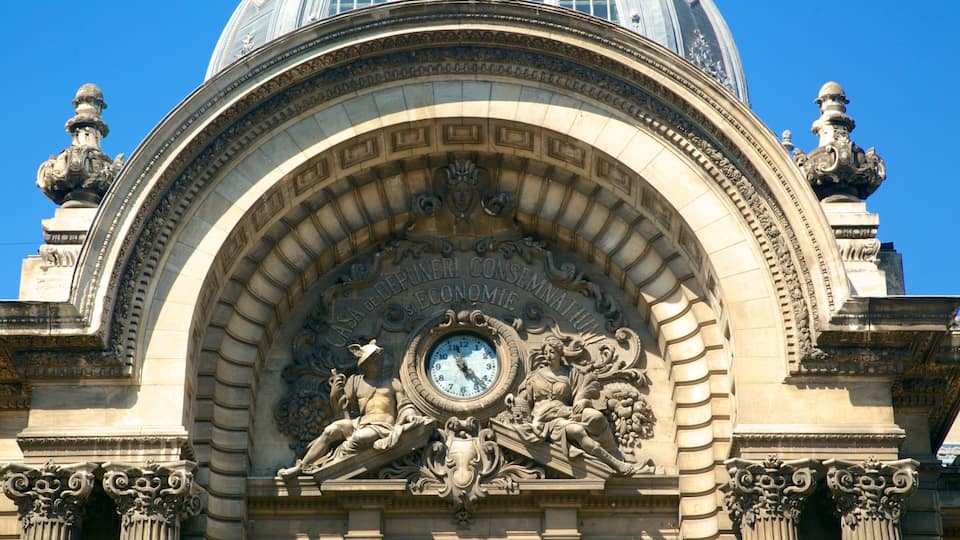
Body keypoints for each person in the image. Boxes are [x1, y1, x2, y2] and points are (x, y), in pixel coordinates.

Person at [279, 339, 427, 478]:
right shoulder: (355, 382)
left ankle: (334, 466)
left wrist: (410, 415)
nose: (377, 362)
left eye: (378, 359)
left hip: (383, 427)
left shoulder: (392, 382)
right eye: (374, 359)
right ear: (365, 363)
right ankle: (302, 466)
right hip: (360, 423)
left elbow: (404, 405)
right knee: (331, 430)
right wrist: (336, 391)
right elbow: (341, 407)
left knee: (358, 438)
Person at [513, 336, 636, 475]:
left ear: (560, 353)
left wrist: (585, 402)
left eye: (552, 352)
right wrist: (514, 403)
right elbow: (524, 400)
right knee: (577, 431)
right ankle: (614, 463)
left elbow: (582, 393)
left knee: (596, 416)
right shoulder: (535, 376)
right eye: (546, 352)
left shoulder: (570, 373)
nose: (548, 356)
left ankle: (614, 453)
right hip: (543, 418)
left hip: (565, 412)